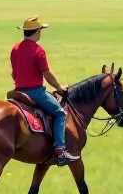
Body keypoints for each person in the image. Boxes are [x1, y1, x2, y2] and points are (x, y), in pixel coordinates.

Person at [10, 16, 79, 166]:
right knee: (60, 113)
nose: (41, 33)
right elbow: (47, 74)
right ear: (36, 32)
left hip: (17, 92)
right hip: (35, 92)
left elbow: (14, 74)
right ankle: (60, 150)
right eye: (40, 30)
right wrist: (59, 87)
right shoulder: (38, 50)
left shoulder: (15, 49)